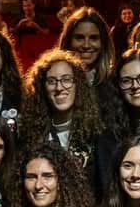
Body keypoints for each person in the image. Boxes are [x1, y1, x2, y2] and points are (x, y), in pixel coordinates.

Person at [22, 49, 104, 180]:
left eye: (66, 80)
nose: (59, 88)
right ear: (42, 88)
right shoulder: (31, 134)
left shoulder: (95, 133)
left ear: (78, 85)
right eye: (52, 81)